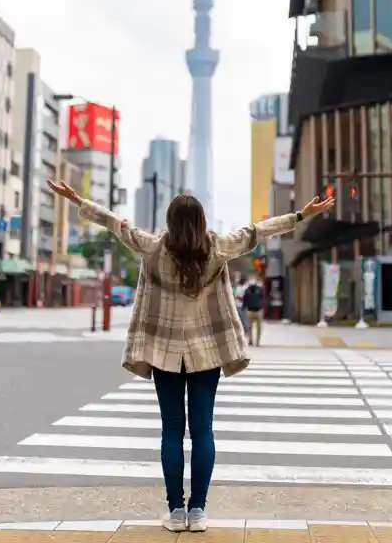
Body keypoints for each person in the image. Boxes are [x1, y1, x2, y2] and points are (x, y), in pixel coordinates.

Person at [47, 179, 334, 533]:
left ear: (170, 221)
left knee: (171, 430)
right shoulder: (217, 248)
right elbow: (257, 232)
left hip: (165, 353)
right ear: (200, 222)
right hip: (205, 353)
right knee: (202, 430)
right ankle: (197, 511)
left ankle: (175, 511)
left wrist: (80, 201)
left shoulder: (153, 247)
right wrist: (301, 214)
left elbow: (115, 223)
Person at [242, 275, 264, 346]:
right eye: (251, 279)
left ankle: (257, 342)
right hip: (249, 311)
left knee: (259, 327)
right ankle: (250, 340)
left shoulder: (260, 289)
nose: (252, 281)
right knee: (249, 327)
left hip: (258, 310)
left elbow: (263, 298)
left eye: (253, 279)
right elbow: (244, 300)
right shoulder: (247, 290)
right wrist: (244, 307)